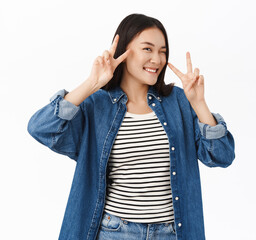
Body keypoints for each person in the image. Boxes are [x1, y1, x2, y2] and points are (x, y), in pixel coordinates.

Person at [27, 13, 235, 240]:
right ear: (124, 52)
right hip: (114, 231)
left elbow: (221, 156)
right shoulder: (97, 104)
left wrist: (199, 104)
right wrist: (92, 84)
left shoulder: (180, 101)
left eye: (162, 51)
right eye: (148, 49)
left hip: (172, 233)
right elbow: (41, 128)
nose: (157, 59)